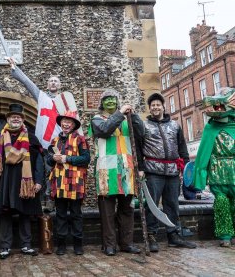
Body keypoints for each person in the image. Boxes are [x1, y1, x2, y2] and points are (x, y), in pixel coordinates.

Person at [137, 93, 196, 252]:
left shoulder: (175, 125)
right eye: (153, 105)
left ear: (163, 106)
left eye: (158, 104)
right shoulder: (144, 125)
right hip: (152, 171)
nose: (155, 107)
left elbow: (182, 147)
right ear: (150, 108)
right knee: (152, 205)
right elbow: (137, 148)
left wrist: (184, 167)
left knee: (172, 204)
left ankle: (174, 235)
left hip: (172, 172)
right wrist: (141, 168)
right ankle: (151, 236)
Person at [6, 57, 64, 211]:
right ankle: (44, 200)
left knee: (59, 171)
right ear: (47, 85)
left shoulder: (66, 101)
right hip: (44, 141)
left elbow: (72, 120)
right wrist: (15, 68)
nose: (53, 83)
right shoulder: (42, 97)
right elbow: (27, 83)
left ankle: (57, 200)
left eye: (56, 81)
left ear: (60, 85)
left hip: (59, 141)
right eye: (50, 81)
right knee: (43, 171)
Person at [0, 103, 44, 260]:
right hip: (4, 182)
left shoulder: (31, 138)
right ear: (8, 119)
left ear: (23, 119)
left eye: (18, 117)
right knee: (5, 215)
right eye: (13, 117)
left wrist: (38, 181)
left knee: (25, 213)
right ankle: (5, 246)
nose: (16, 119)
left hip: (25, 183)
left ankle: (26, 245)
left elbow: (39, 162)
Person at [90, 89, 142, 256]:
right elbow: (105, 130)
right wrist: (120, 113)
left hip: (127, 169)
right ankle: (109, 244)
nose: (110, 102)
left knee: (127, 210)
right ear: (102, 103)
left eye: (113, 99)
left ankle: (127, 243)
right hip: (106, 171)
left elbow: (142, 135)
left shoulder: (126, 119)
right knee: (107, 212)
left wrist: (134, 117)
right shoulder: (97, 119)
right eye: (107, 99)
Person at [193, 87, 235, 247]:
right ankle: (225, 234)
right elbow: (203, 153)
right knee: (222, 202)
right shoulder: (210, 128)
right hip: (218, 171)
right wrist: (200, 176)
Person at [46, 111, 90, 255]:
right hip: (59, 183)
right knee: (61, 215)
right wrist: (54, 158)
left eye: (69, 121)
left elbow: (86, 159)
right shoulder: (54, 140)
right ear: (61, 123)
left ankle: (78, 245)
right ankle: (61, 245)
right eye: (64, 121)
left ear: (73, 125)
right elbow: (48, 160)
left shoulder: (80, 139)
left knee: (76, 214)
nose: (66, 123)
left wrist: (66, 159)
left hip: (75, 182)